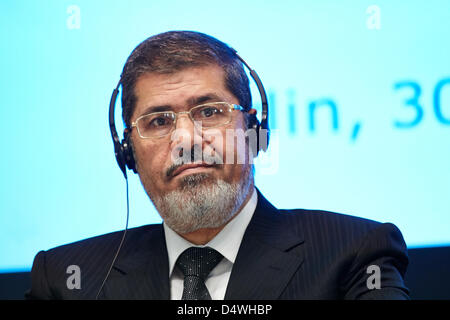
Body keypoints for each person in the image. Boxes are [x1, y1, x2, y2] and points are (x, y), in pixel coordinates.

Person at [26, 31, 409, 300]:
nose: (187, 140)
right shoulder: (66, 279)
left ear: (255, 131)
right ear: (128, 152)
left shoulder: (353, 255)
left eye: (210, 112)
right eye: (159, 121)